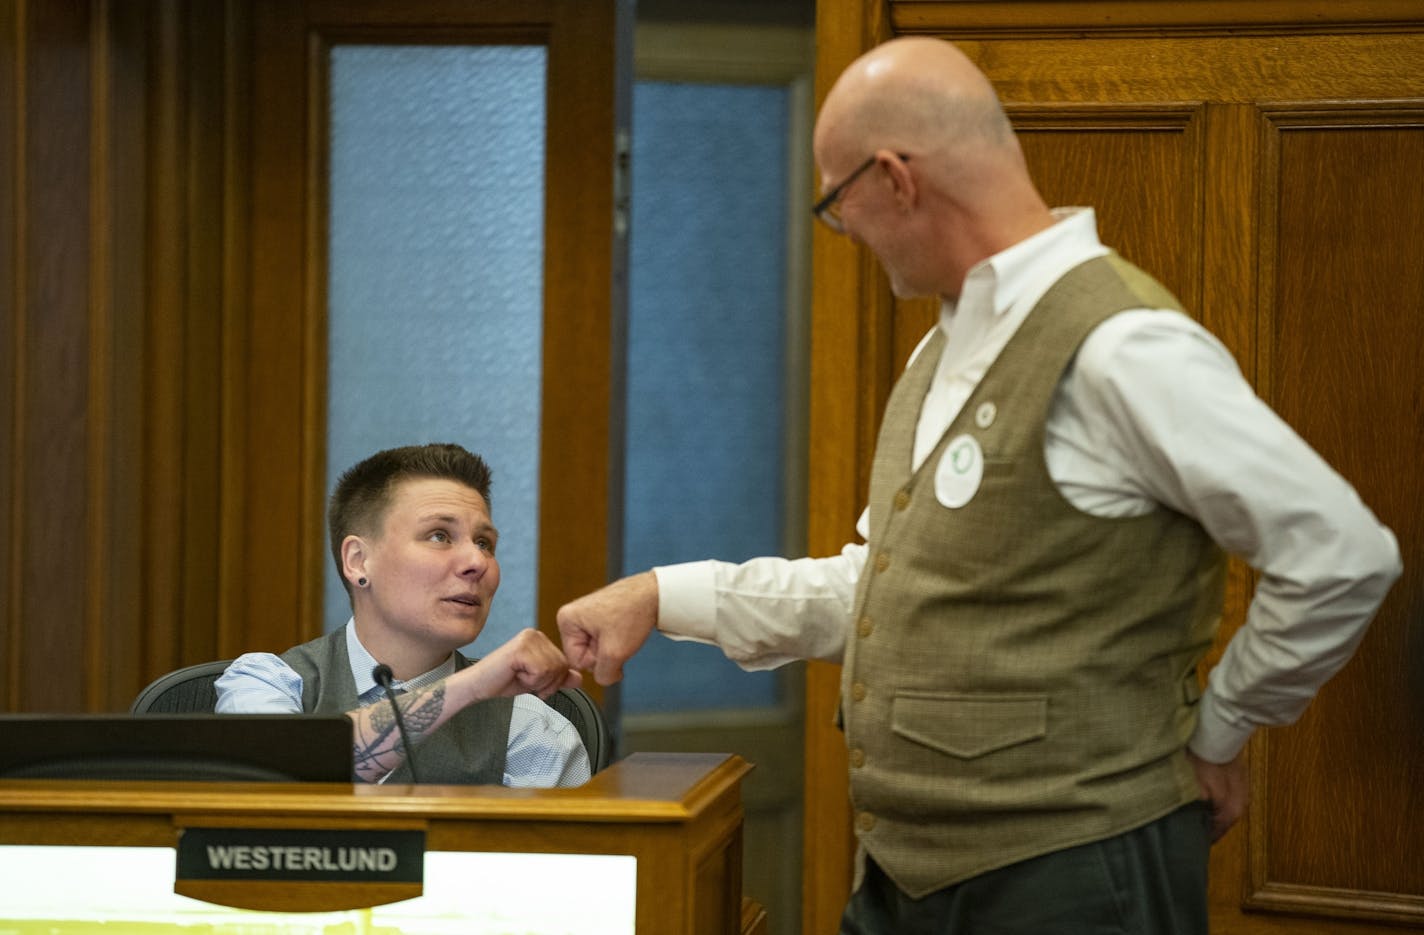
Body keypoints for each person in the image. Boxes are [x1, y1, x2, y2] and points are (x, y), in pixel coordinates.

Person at [556, 36, 1402, 934]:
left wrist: (1221, 727)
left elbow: (1341, 556)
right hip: (905, 876)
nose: (846, 235)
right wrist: (663, 594)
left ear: (895, 179)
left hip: (1079, 873)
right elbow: (885, 591)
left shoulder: (1123, 347)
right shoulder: (940, 351)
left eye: (837, 204)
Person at [217, 442, 589, 788]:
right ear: (358, 561)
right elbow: (283, 780)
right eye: (439, 535)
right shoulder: (267, 684)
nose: (478, 562)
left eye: (484, 543)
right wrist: (472, 687)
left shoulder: (530, 727)